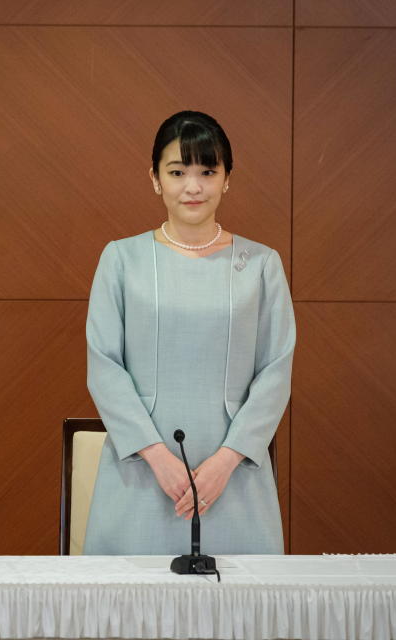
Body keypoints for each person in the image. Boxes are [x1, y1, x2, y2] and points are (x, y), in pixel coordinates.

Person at [83, 111, 294, 555]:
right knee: (133, 616)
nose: (192, 186)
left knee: (239, 616)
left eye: (207, 171)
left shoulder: (261, 264)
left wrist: (225, 461)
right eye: (177, 172)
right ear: (156, 179)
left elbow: (276, 371)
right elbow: (103, 366)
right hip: (141, 472)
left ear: (227, 179)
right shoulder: (121, 260)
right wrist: (159, 458)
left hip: (235, 474)